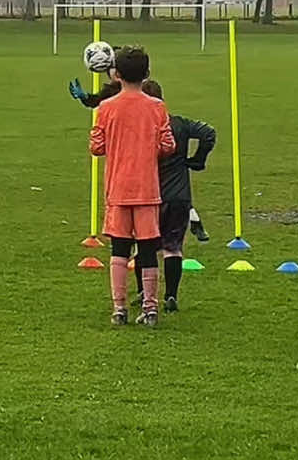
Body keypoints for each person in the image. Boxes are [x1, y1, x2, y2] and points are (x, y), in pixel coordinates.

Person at [70, 54, 210, 242]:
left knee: (134, 233)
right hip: (151, 174)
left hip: (133, 174)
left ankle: (146, 244)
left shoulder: (136, 100)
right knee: (168, 208)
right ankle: (187, 222)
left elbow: (97, 144)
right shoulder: (161, 112)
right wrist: (87, 98)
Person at [89, 45, 175, 327]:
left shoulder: (106, 108)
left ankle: (119, 308)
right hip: (147, 189)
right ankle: (150, 308)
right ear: (147, 73)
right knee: (149, 249)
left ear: (116, 75)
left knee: (119, 248)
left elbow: (96, 146)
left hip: (118, 189)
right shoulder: (157, 107)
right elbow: (167, 145)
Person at [141, 78, 216, 313]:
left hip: (149, 195)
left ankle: (144, 293)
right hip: (180, 196)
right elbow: (208, 132)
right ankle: (171, 296)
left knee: (144, 247)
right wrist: (197, 160)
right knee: (173, 247)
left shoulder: (142, 128)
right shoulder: (179, 124)